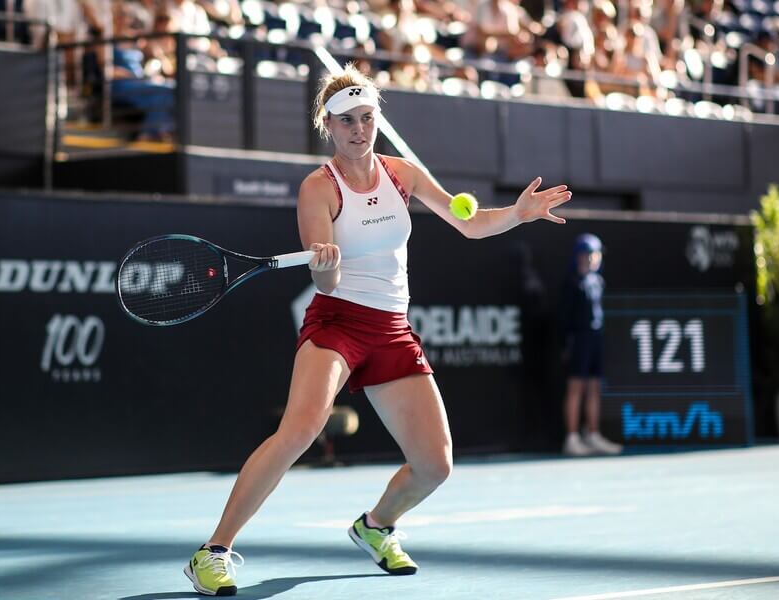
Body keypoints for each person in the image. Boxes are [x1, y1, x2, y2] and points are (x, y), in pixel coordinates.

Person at [183, 64, 572, 597]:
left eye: (367, 118)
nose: (358, 130)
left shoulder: (403, 174)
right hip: (337, 323)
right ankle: (213, 552)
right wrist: (325, 261)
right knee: (298, 430)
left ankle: (376, 526)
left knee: (435, 466)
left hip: (391, 327)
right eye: (347, 121)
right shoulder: (317, 188)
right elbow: (327, 279)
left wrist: (519, 214)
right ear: (329, 125)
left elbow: (472, 223)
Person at [559, 233, 622, 457]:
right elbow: (564, 319)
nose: (593, 258)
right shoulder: (572, 284)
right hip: (579, 340)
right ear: (580, 256)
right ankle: (572, 438)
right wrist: (567, 344)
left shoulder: (598, 281)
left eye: (596, 254)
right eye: (589, 254)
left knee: (594, 386)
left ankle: (593, 434)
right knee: (576, 387)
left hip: (596, 338)